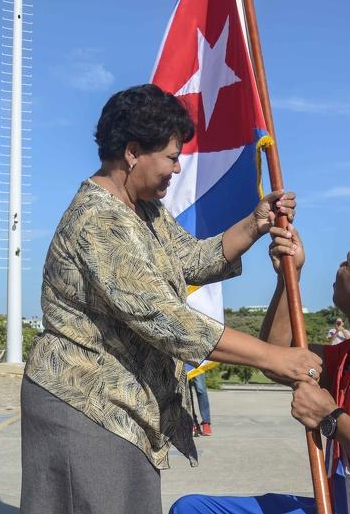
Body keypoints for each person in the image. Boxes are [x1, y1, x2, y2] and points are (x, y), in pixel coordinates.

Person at [20, 85, 322, 514]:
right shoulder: (98, 221)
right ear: (131, 152)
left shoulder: (143, 210)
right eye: (171, 157)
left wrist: (256, 224)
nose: (177, 169)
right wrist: (272, 357)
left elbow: (193, 259)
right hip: (85, 405)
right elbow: (167, 320)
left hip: (125, 407)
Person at [171, 228, 350, 514]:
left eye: (347, 263)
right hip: (339, 506)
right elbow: (279, 356)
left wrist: (332, 418)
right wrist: (289, 278)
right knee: (192, 508)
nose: (339, 267)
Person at [186, 365, 212, 436]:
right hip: (182, 359)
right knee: (186, 391)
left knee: (201, 389)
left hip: (196, 359)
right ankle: (192, 422)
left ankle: (206, 422)